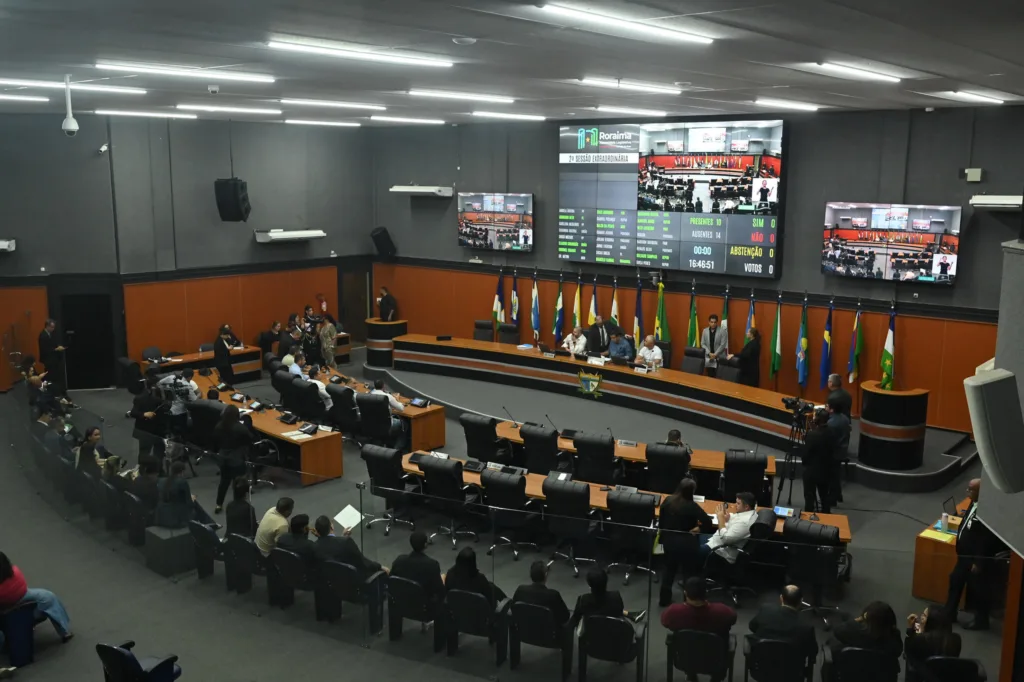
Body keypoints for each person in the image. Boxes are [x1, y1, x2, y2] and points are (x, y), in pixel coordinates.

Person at [945, 478, 996, 630]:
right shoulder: (973, 503)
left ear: (981, 492)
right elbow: (968, 523)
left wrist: (979, 562)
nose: (967, 492)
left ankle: (981, 620)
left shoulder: (987, 511)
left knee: (978, 590)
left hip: (975, 559)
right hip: (964, 556)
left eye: (971, 490)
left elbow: (986, 539)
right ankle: (949, 613)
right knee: (955, 581)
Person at [658, 479, 714, 606]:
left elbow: (661, 523)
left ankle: (664, 600)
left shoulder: (668, 501)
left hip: (669, 542)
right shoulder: (692, 506)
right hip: (686, 543)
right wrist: (699, 529)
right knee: (688, 573)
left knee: (668, 572)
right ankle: (688, 602)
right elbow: (708, 522)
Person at [0, 552, 73, 644]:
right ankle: (64, 632)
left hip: (6, 617)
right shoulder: (17, 573)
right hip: (32, 611)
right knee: (48, 597)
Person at [827, 601, 903, 673]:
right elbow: (898, 651)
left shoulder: (856, 634)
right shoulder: (893, 643)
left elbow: (837, 631)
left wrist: (857, 620)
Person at [748, 585, 817, 659]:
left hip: (761, 665)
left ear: (781, 598)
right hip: (792, 668)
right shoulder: (807, 627)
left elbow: (752, 626)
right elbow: (812, 651)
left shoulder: (766, 610)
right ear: (801, 601)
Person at [661, 577, 737, 637]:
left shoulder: (673, 612)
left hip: (684, 654)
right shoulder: (723, 611)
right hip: (715, 654)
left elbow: (664, 622)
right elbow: (733, 619)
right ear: (706, 592)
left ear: (685, 593)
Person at [312, 516, 384, 579]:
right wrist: (380, 566)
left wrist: (342, 537)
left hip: (331, 582)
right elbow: (363, 562)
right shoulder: (346, 542)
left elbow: (332, 552)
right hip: (353, 580)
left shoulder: (314, 547)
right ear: (331, 527)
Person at [701, 492, 758, 567]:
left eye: (738, 503)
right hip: (716, 540)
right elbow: (737, 519)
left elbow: (726, 539)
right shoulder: (751, 513)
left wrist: (720, 519)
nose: (735, 505)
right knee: (694, 539)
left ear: (746, 507)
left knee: (693, 549)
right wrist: (729, 518)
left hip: (720, 550)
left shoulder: (745, 523)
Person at [213, 404, 253, 513]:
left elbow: (215, 442)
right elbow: (250, 439)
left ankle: (218, 504)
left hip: (223, 458)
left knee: (224, 482)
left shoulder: (218, 426)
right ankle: (237, 504)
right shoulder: (240, 428)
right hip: (236, 459)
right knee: (238, 482)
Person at [155, 461, 216, 529]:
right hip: (176, 517)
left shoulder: (161, 481)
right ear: (182, 471)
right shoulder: (182, 482)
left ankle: (210, 523)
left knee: (194, 504)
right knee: (195, 504)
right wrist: (192, 499)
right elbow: (189, 504)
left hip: (161, 514)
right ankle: (210, 524)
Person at [391, 531, 444, 605]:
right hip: (423, 604)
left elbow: (392, 580)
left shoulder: (399, 560)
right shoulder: (432, 565)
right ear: (425, 544)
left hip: (401, 600)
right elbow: (438, 589)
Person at [512, 561, 570, 626]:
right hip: (548, 634)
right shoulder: (553, 595)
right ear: (546, 575)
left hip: (523, 632)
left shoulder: (520, 590)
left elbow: (513, 610)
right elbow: (565, 617)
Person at [801, 409, 835, 514]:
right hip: (827, 471)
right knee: (825, 497)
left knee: (809, 497)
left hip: (811, 472)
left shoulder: (811, 435)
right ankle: (826, 519)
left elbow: (805, 456)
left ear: (818, 419)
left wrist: (806, 439)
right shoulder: (832, 433)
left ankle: (808, 523)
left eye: (815, 417)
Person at [129, 375, 167, 463]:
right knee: (145, 451)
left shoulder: (162, 396)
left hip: (159, 429)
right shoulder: (140, 398)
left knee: (159, 450)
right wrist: (144, 414)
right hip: (145, 430)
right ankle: (143, 470)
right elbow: (133, 412)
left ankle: (158, 469)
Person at [826, 396, 851, 504]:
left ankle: (832, 499)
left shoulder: (831, 424)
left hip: (834, 453)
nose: (825, 407)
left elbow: (828, 441)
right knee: (836, 474)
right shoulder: (845, 418)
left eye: (827, 406)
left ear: (831, 409)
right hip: (843, 450)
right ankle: (838, 495)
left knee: (831, 476)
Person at [371, 378, 407, 448]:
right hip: (387, 424)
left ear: (374, 386)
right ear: (383, 386)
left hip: (372, 423)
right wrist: (397, 399)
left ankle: (388, 442)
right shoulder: (388, 396)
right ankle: (397, 448)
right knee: (404, 425)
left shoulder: (369, 394)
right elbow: (401, 408)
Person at [37, 318, 67, 396]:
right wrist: (56, 349)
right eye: (52, 327)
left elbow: (53, 344)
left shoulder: (51, 334)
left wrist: (58, 346)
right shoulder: (43, 335)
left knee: (55, 375)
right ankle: (51, 392)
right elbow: (44, 349)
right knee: (50, 375)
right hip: (48, 359)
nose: (53, 329)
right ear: (47, 326)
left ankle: (56, 391)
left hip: (54, 359)